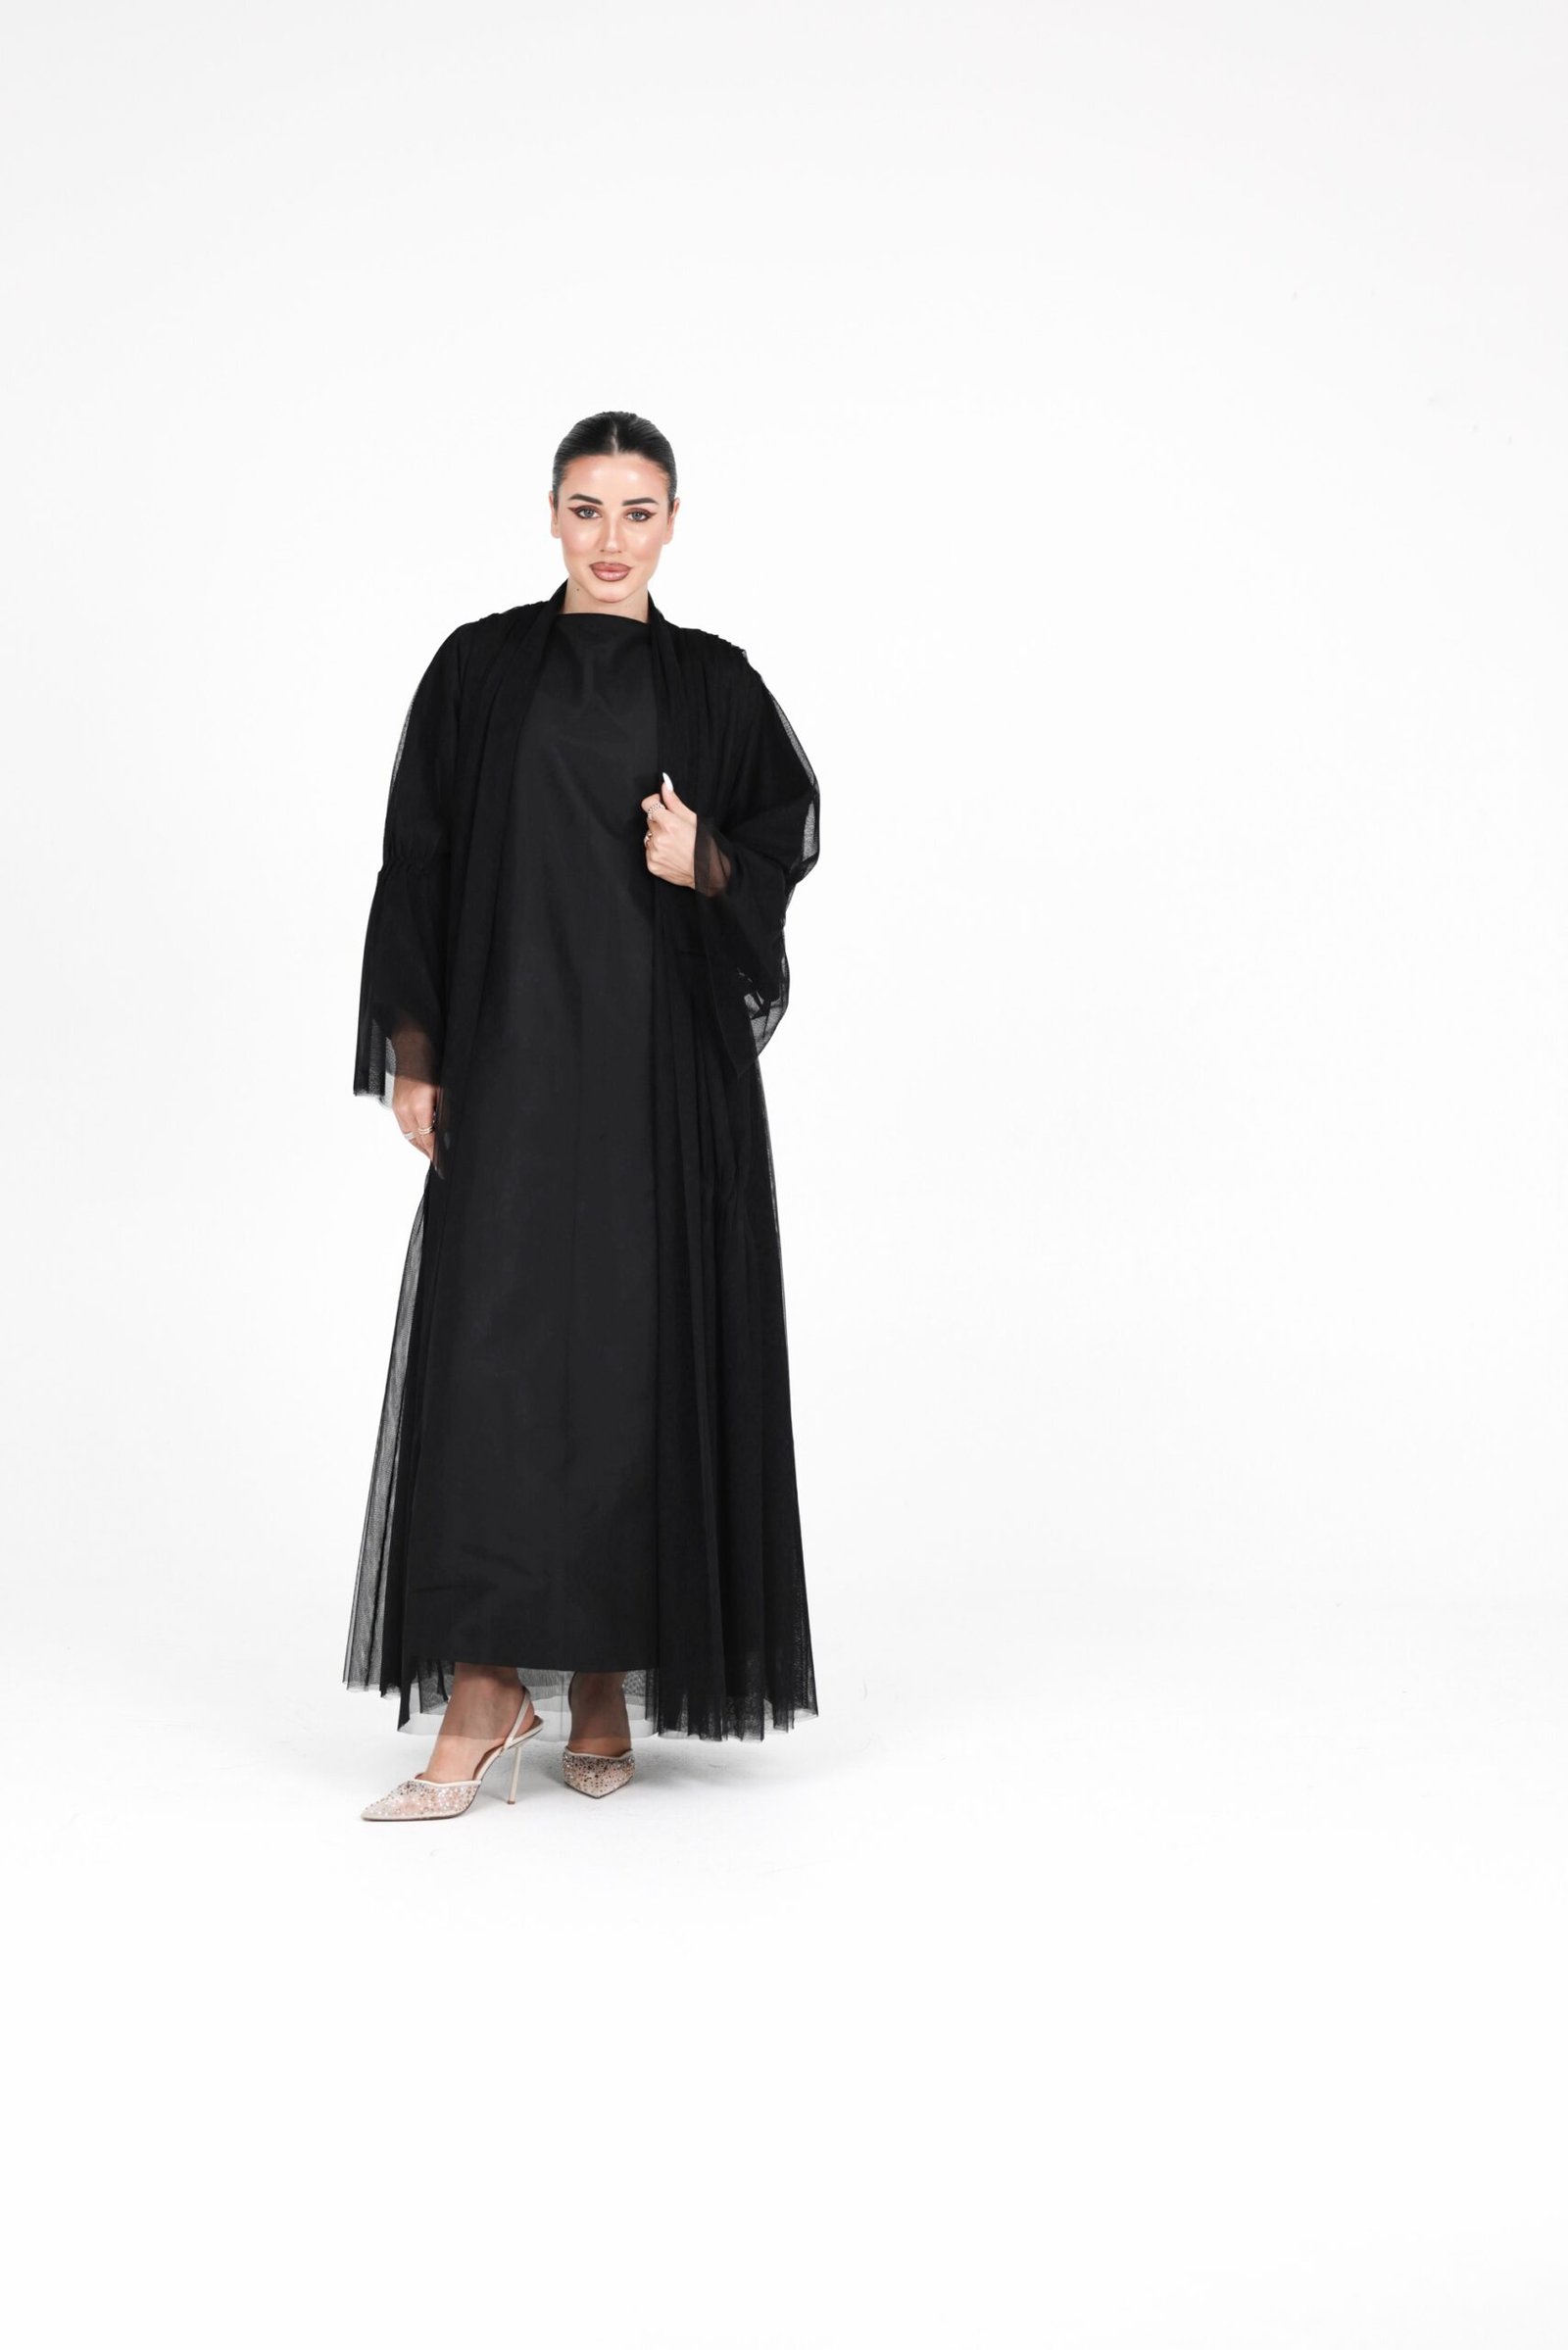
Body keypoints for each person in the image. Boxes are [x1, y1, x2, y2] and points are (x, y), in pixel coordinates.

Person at [346, 410, 821, 1819]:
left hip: (662, 1078)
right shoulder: (481, 669)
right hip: (513, 1061)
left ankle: (605, 1682)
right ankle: (484, 1690)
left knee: (636, 1358)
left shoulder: (713, 682)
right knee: (493, 1359)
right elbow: (417, 856)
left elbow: (783, 838)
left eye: (639, 511)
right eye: (587, 508)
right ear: (551, 515)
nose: (612, 539)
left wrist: (704, 858)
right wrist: (416, 1054)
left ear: (674, 522)